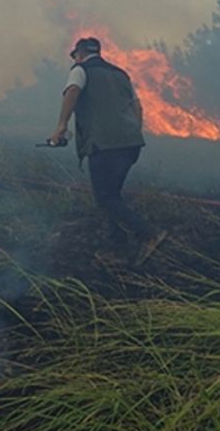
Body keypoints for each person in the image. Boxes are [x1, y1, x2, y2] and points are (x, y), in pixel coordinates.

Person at [49, 37, 166, 265]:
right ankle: (117, 249)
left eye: (75, 55)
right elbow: (137, 106)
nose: (74, 59)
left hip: (104, 146)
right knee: (112, 196)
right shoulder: (121, 74)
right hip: (131, 145)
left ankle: (149, 234)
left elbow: (72, 92)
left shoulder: (80, 70)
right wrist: (132, 131)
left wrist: (61, 126)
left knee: (105, 198)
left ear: (80, 53)